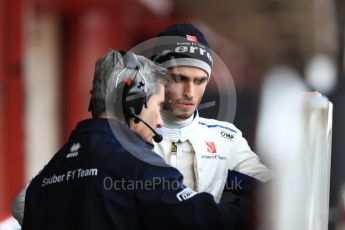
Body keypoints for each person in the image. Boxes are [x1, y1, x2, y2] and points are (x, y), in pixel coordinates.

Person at [16, 50, 251, 230]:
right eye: (158, 107)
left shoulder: (43, 180)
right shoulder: (138, 164)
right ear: (133, 102)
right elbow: (207, 221)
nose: (159, 121)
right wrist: (257, 203)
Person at [151, 24, 272, 203]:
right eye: (179, 79)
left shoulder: (226, 137)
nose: (190, 93)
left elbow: (272, 189)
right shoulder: (133, 135)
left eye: (199, 81)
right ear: (158, 77)